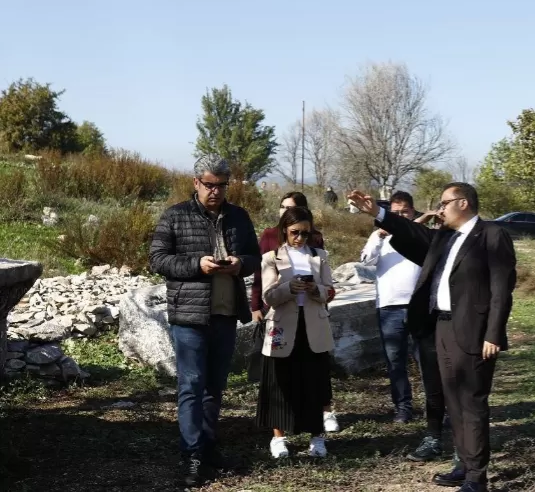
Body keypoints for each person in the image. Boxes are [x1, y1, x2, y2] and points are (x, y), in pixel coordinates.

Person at [348, 183, 516, 492]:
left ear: (463, 203)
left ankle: (477, 479)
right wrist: (377, 212)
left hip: (475, 332)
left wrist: (493, 333)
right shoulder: (445, 237)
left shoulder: (491, 235)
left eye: (444, 203)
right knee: (453, 400)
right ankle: (464, 465)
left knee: (472, 403)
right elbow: (410, 234)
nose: (439, 209)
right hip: (440, 328)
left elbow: (502, 288)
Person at [149, 155, 261, 487]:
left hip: (226, 314)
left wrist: (239, 263)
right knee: (191, 385)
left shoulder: (239, 217)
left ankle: (209, 447)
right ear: (196, 182)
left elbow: (255, 256)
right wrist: (199, 265)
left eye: (221, 185)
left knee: (215, 386)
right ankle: (192, 455)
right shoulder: (176, 216)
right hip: (189, 315)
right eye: (209, 184)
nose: (215, 191)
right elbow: (158, 259)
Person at [360, 191, 448, 463]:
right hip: (389, 306)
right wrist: (378, 236)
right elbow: (365, 262)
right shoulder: (379, 237)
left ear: (413, 212)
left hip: (420, 307)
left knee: (428, 361)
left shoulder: (421, 236)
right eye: (395, 213)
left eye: (405, 213)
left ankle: (436, 410)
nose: (399, 217)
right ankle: (403, 407)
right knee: (395, 360)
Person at [249, 192, 339, 432]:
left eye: (305, 233)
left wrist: (315, 289)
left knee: (315, 382)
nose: (300, 238)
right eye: (294, 232)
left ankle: (317, 436)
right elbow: (269, 295)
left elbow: (330, 291)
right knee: (279, 382)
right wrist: (288, 288)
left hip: (313, 326)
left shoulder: (320, 257)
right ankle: (278, 437)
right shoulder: (271, 257)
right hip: (282, 325)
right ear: (284, 230)